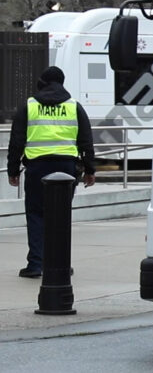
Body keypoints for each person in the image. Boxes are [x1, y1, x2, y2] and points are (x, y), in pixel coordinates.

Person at [5, 66, 96, 279]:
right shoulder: (74, 106)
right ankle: (60, 263)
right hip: (67, 168)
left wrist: (13, 170)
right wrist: (90, 169)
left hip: (37, 168)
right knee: (61, 216)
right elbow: (86, 140)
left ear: (43, 82)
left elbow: (16, 140)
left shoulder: (29, 106)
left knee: (36, 214)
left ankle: (36, 264)